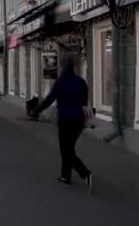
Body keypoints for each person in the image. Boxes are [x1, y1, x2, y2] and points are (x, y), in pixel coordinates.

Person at [33, 54, 93, 194]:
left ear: (63, 66)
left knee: (66, 150)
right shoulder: (81, 82)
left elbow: (49, 99)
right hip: (78, 121)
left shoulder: (60, 82)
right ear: (73, 66)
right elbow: (84, 102)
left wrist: (37, 110)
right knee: (69, 147)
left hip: (65, 120)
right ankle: (65, 176)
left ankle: (86, 174)